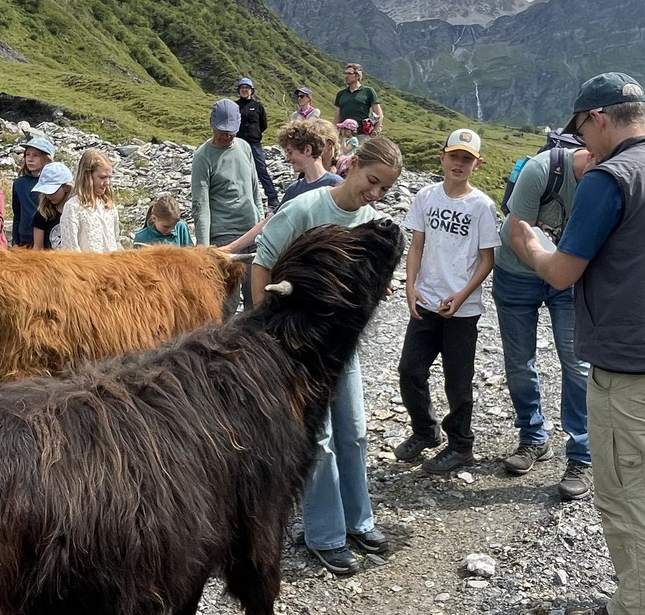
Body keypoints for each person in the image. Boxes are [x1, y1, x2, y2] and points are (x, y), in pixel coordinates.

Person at [505, 73, 645, 615]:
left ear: (597, 117)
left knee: (629, 489)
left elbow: (562, 272)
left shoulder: (609, 178)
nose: (579, 148)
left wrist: (528, 244)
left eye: (580, 133)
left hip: (632, 362)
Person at [251, 135, 405, 576]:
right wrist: (267, 332)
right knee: (316, 439)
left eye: (384, 190)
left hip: (340, 345)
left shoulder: (372, 220)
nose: (374, 195)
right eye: (371, 182)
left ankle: (359, 521)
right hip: (296, 348)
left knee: (353, 431)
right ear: (353, 165)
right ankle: (325, 534)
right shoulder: (303, 209)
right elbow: (262, 264)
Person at [493, 132, 594, 502]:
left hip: (566, 279)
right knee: (520, 362)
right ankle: (532, 438)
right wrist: (551, 269)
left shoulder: (608, 179)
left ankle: (581, 456)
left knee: (577, 363)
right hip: (516, 274)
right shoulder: (542, 170)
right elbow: (518, 231)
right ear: (591, 153)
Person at [394, 129, 499, 476]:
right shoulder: (425, 197)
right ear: (442, 157)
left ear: (477, 164)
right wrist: (411, 287)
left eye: (467, 158)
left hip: (462, 311)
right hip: (426, 301)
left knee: (458, 382)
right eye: (454, 156)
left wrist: (462, 295)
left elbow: (487, 260)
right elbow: (417, 246)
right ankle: (425, 430)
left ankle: (460, 445)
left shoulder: (482, 205)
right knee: (410, 371)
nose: (459, 163)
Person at [190, 99, 260, 249]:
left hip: (252, 231)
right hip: (223, 235)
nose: (226, 136)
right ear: (211, 123)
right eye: (221, 131)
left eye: (231, 132)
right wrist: (204, 249)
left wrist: (261, 228)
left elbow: (255, 192)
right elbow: (200, 205)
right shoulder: (203, 156)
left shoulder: (245, 147)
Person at [55, 148, 121, 252]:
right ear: (87, 176)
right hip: (88, 266)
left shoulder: (109, 206)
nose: (107, 182)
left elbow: (116, 241)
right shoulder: (73, 208)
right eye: (102, 177)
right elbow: (71, 249)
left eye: (109, 177)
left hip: (112, 266)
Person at [234, 77, 279, 210]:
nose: (244, 90)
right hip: (239, 143)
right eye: (242, 88)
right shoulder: (235, 106)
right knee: (240, 171)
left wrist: (255, 133)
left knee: (261, 170)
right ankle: (242, 197)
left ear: (251, 90)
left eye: (247, 88)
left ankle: (272, 197)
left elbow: (263, 124)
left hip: (254, 143)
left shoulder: (258, 106)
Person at [278, 118, 342, 204]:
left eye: (290, 152)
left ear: (308, 150)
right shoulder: (293, 190)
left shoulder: (337, 184)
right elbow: (277, 216)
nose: (287, 159)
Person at [9, 135, 55, 249]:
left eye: (36, 155)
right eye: (27, 154)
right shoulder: (19, 184)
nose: (30, 159)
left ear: (47, 159)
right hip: (24, 242)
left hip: (47, 242)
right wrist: (15, 241)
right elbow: (17, 215)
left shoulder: (53, 185)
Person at [30, 160, 74, 248]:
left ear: (66, 188)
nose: (48, 195)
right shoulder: (43, 214)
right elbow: (37, 248)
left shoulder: (77, 212)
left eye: (52, 191)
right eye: (45, 191)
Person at [334, 63, 383, 136]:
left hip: (362, 135)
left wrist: (374, 132)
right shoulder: (341, 94)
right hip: (343, 135)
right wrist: (333, 133)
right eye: (346, 73)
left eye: (350, 74)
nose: (346, 76)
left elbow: (379, 114)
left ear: (357, 76)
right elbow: (337, 117)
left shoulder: (368, 91)